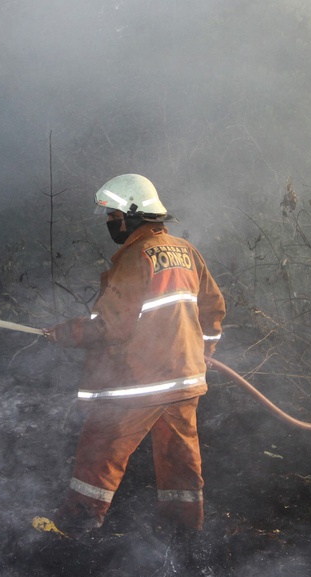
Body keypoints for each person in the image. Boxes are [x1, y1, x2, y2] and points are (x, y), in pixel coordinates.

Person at [44, 173, 226, 537]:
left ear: (132, 214)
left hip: (141, 382)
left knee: (100, 446)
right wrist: (204, 350)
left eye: (113, 217)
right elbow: (214, 308)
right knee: (180, 458)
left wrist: (68, 332)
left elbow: (111, 326)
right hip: (185, 379)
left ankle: (75, 524)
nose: (111, 224)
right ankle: (183, 530)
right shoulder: (187, 252)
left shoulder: (135, 257)